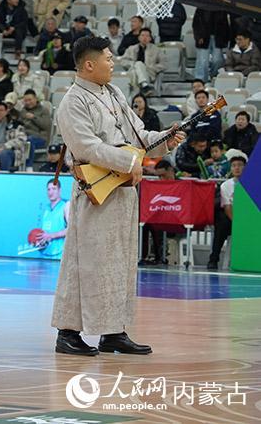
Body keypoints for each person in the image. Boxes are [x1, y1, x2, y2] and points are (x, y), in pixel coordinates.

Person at [52, 36, 184, 356]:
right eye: (108, 59)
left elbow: (139, 136)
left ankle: (114, 331)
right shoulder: (72, 101)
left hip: (124, 188)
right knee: (89, 262)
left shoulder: (114, 93)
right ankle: (68, 333)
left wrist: (164, 139)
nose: (113, 64)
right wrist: (130, 161)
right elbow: (87, 148)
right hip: (96, 190)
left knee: (120, 262)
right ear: (89, 64)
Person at [207, 152, 247, 270]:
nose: (237, 168)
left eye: (240, 165)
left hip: (249, 219)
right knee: (222, 223)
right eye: (234, 165)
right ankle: (213, 259)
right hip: (232, 219)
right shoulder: (226, 185)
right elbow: (227, 207)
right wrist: (238, 224)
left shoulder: (253, 184)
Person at [29, 179, 68, 259]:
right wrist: (39, 240)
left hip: (59, 257)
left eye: (54, 189)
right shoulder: (46, 209)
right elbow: (44, 233)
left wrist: (51, 235)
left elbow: (71, 230)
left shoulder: (66, 205)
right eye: (49, 189)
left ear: (59, 190)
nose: (51, 192)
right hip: (44, 256)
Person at [122, 27, 165, 95]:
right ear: (138, 37)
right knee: (136, 67)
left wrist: (151, 67)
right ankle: (144, 86)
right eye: (142, 35)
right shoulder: (131, 49)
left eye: (147, 36)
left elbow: (163, 64)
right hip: (133, 72)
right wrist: (133, 64)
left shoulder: (156, 50)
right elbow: (123, 61)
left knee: (138, 66)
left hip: (149, 74)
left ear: (150, 38)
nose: (144, 38)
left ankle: (135, 97)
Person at [19, 89, 51, 167]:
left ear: (35, 99)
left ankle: (28, 166)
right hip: (24, 136)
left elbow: (46, 125)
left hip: (40, 138)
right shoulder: (23, 111)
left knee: (29, 141)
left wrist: (34, 117)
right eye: (26, 100)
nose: (28, 102)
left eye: (30, 100)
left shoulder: (44, 110)